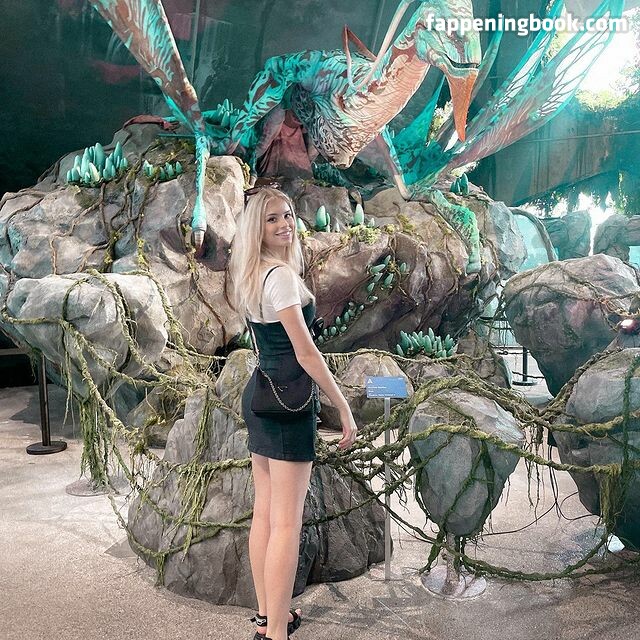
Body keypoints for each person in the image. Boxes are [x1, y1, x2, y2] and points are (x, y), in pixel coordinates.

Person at [227, 186, 358, 640]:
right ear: (257, 228)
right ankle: (276, 634)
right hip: (288, 401)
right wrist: (343, 405)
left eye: (287, 215)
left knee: (265, 515)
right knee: (285, 523)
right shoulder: (280, 277)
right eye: (272, 219)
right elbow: (306, 353)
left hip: (262, 394)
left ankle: (269, 617)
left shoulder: (252, 273)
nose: (285, 224)